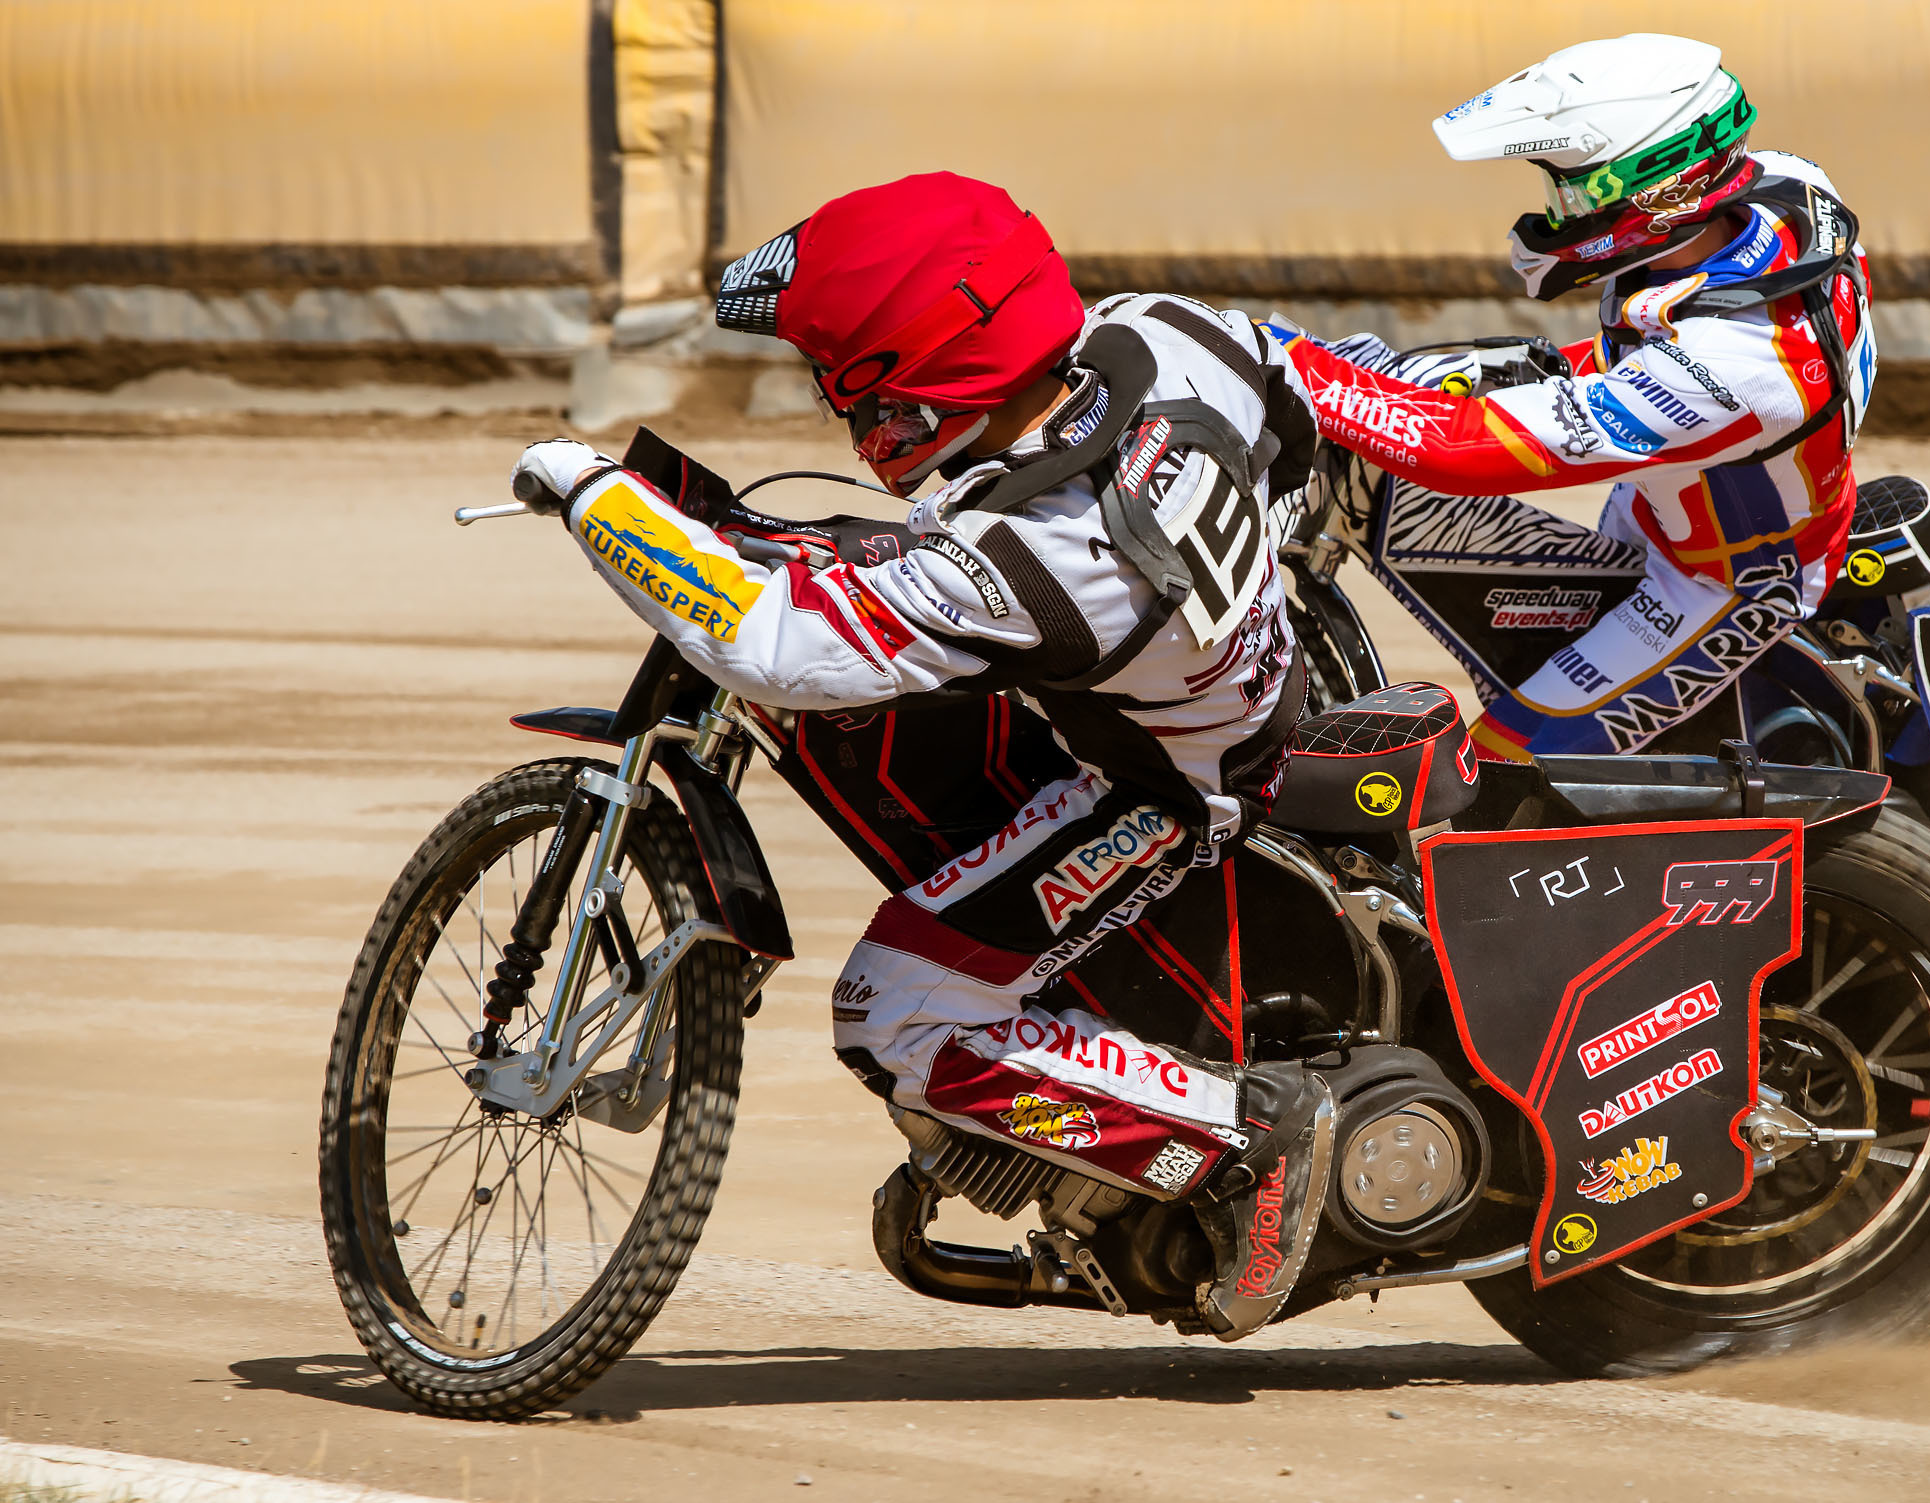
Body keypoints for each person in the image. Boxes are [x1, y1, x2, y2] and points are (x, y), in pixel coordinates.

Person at [506, 172, 1332, 1335]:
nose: (842, 405)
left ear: (920, 371)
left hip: (1173, 789)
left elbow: (771, 645)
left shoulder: (1032, 554)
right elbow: (1309, 417)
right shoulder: (1162, 333)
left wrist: (595, 492)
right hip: (1266, 683)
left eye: (847, 376)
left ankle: (1242, 1139)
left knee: (891, 1012)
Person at [1265, 33, 1876, 762]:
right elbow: (1651, 348)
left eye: (1576, 190)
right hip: (1673, 495)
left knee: (1499, 766)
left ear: (1665, 192)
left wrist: (1290, 363)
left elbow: (1460, 453)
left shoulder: (1739, 361)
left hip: (1720, 584)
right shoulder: (1777, 189)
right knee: (1427, 381)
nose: (1557, 210)